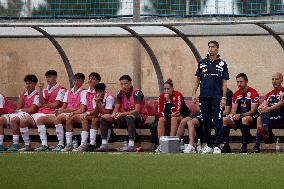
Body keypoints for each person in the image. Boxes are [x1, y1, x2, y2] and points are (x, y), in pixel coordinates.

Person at [192, 40, 229, 154]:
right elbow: (197, 79)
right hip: (204, 97)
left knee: (218, 121)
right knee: (206, 121)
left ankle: (217, 145)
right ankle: (209, 145)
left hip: (217, 97)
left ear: (217, 49)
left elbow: (224, 82)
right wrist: (194, 93)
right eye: (209, 47)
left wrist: (224, 98)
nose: (210, 49)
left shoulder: (222, 64)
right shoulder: (202, 63)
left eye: (213, 47)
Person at [32, 73, 86, 152]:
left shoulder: (83, 92)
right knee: (43, 119)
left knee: (62, 118)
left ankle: (65, 144)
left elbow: (81, 109)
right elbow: (64, 106)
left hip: (76, 113)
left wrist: (65, 111)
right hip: (66, 113)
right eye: (75, 80)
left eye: (79, 80)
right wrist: (60, 110)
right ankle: (48, 144)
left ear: (83, 81)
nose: (76, 82)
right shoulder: (69, 91)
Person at [97, 75, 148, 152]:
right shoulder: (120, 93)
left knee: (129, 117)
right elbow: (116, 108)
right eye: (121, 84)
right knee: (104, 117)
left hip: (139, 116)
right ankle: (104, 144)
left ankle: (131, 145)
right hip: (124, 116)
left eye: (126, 83)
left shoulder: (137, 93)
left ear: (130, 83)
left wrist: (122, 114)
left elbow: (137, 110)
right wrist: (114, 114)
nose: (123, 86)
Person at [180, 88, 233, 153]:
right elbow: (199, 109)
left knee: (215, 121)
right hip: (207, 114)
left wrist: (215, 115)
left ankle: (214, 145)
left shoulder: (227, 92)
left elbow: (227, 111)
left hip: (219, 115)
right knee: (190, 122)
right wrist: (197, 103)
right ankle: (191, 146)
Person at [221, 73, 259, 153]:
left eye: (241, 82)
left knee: (245, 119)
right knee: (225, 120)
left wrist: (241, 115)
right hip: (239, 117)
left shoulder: (253, 93)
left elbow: (253, 111)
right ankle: (226, 145)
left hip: (251, 118)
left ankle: (244, 145)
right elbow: (233, 111)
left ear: (246, 81)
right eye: (237, 82)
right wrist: (231, 116)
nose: (239, 84)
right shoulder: (236, 94)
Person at [63, 72, 101, 152]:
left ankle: (83, 144)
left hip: (96, 114)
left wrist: (87, 113)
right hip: (87, 113)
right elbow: (82, 108)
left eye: (93, 79)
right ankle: (69, 144)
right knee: (69, 118)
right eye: (89, 78)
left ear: (98, 82)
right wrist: (73, 113)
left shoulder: (98, 93)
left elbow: (97, 110)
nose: (90, 80)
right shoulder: (84, 92)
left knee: (84, 118)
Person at [32, 70, 66, 151]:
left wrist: (44, 105)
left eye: (50, 77)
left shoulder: (61, 89)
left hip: (55, 113)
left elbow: (56, 105)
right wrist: (40, 89)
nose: (48, 79)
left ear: (55, 77)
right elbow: (40, 102)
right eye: (47, 77)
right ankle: (44, 144)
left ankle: (61, 144)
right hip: (43, 113)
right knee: (35, 119)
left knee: (40, 119)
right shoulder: (45, 89)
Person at [252, 72, 284, 153]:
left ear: (281, 80)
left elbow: (281, 103)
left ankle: (267, 137)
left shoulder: (283, 91)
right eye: (272, 79)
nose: (274, 81)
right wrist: (261, 107)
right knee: (259, 118)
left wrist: (268, 109)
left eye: (276, 79)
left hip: (281, 117)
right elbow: (264, 104)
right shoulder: (269, 94)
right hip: (271, 118)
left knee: (261, 118)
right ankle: (257, 145)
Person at [78, 83, 115, 151]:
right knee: (94, 119)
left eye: (101, 92)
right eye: (97, 92)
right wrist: (97, 103)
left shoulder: (109, 98)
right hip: (101, 117)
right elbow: (95, 114)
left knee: (103, 118)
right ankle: (92, 144)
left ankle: (105, 143)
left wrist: (98, 103)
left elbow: (107, 113)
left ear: (104, 91)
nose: (99, 94)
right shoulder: (95, 98)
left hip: (112, 117)